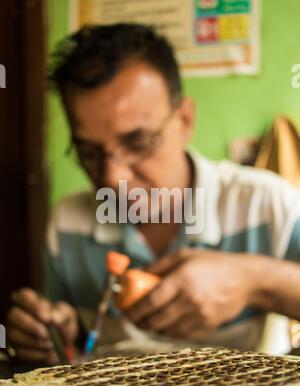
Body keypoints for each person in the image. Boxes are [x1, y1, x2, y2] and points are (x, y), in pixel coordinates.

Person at [7, 24, 300, 364]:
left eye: (137, 142)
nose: (113, 179)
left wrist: (255, 280)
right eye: (89, 152)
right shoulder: (68, 224)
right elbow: (76, 343)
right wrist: (54, 335)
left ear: (185, 120)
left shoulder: (266, 205)